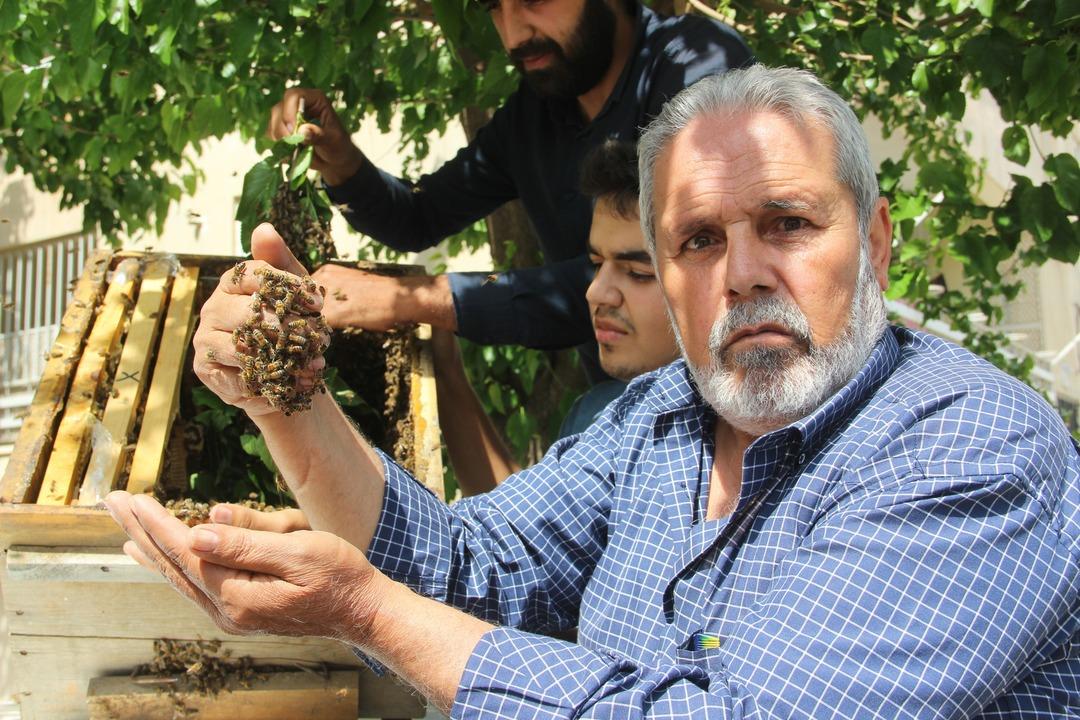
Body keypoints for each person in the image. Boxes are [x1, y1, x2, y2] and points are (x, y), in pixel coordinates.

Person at [107, 66, 1080, 718]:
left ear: (874, 243)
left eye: (786, 223)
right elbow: (463, 567)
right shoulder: (657, 421)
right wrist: (285, 399)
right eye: (698, 241)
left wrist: (367, 614)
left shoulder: (969, 448)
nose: (741, 274)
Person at [269, 0, 751, 381]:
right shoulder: (533, 116)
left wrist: (416, 299)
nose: (513, 33)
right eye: (493, 6)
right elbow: (419, 217)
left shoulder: (700, 70)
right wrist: (340, 158)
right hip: (620, 414)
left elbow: (679, 265)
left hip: (722, 414)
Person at [435, 139, 679, 495]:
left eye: (638, 272)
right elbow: (520, 533)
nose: (595, 293)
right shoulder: (598, 413)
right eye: (596, 264)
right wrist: (447, 372)